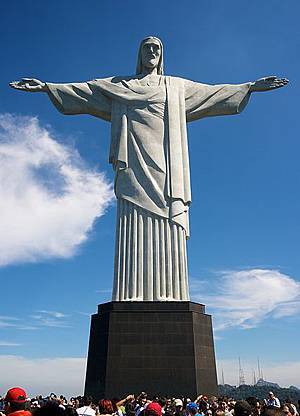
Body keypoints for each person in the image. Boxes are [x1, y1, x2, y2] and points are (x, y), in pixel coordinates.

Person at [10, 37, 288, 302]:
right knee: (132, 219)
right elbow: (85, 91)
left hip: (167, 164)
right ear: (139, 54)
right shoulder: (119, 86)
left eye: (156, 48)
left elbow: (213, 92)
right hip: (132, 161)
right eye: (147, 48)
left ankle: (173, 293)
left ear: (162, 54)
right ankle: (129, 292)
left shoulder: (175, 87)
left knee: (169, 218)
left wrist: (249, 86)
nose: (152, 52)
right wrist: (47, 86)